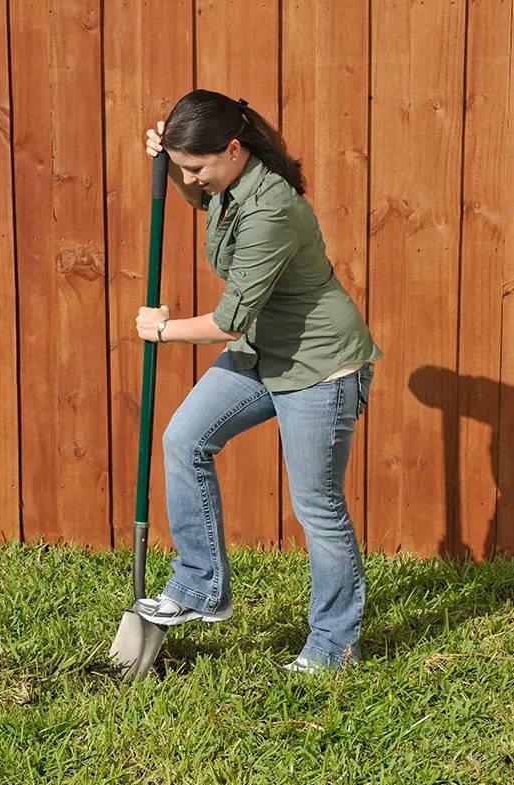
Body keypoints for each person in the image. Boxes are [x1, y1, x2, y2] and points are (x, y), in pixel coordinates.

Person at [133, 89, 382, 673]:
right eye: (183, 169)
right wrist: (170, 165)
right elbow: (203, 199)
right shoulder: (228, 186)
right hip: (264, 353)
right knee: (184, 439)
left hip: (319, 366)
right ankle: (200, 585)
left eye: (196, 169)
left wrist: (163, 330)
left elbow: (228, 320)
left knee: (316, 507)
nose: (191, 181)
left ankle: (334, 644)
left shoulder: (272, 208)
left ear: (235, 150)